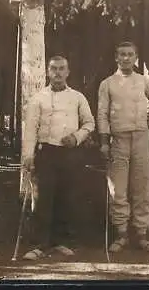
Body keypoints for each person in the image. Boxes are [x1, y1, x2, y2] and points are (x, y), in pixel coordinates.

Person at [21, 56, 95, 260]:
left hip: (69, 153)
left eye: (62, 69)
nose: (58, 73)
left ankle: (62, 241)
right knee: (44, 197)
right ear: (47, 72)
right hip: (46, 152)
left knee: (67, 195)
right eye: (53, 69)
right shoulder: (38, 98)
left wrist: (76, 137)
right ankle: (40, 244)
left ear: (68, 72)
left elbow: (89, 123)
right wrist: (28, 156)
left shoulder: (77, 97)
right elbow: (30, 131)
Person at [97, 41, 149, 253]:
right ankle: (121, 234)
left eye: (130, 55)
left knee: (142, 186)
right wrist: (104, 142)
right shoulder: (107, 83)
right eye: (122, 54)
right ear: (116, 58)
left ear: (136, 57)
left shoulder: (143, 81)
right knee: (118, 188)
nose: (126, 58)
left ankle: (142, 234)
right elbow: (102, 114)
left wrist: (148, 116)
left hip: (141, 137)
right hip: (118, 139)